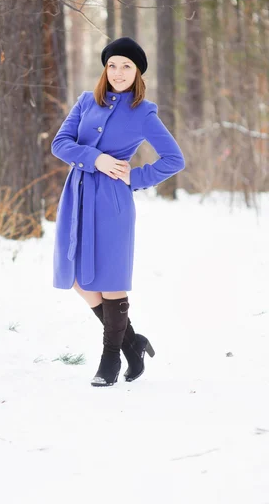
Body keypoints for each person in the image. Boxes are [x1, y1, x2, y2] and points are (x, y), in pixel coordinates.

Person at [51, 37, 185, 387]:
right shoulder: (86, 101)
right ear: (105, 68)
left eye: (127, 66)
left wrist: (134, 177)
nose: (119, 72)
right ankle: (132, 343)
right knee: (80, 280)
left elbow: (174, 159)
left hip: (112, 201)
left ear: (138, 71)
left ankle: (110, 356)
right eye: (113, 65)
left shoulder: (144, 112)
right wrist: (95, 158)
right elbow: (60, 143)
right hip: (77, 197)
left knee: (110, 280)